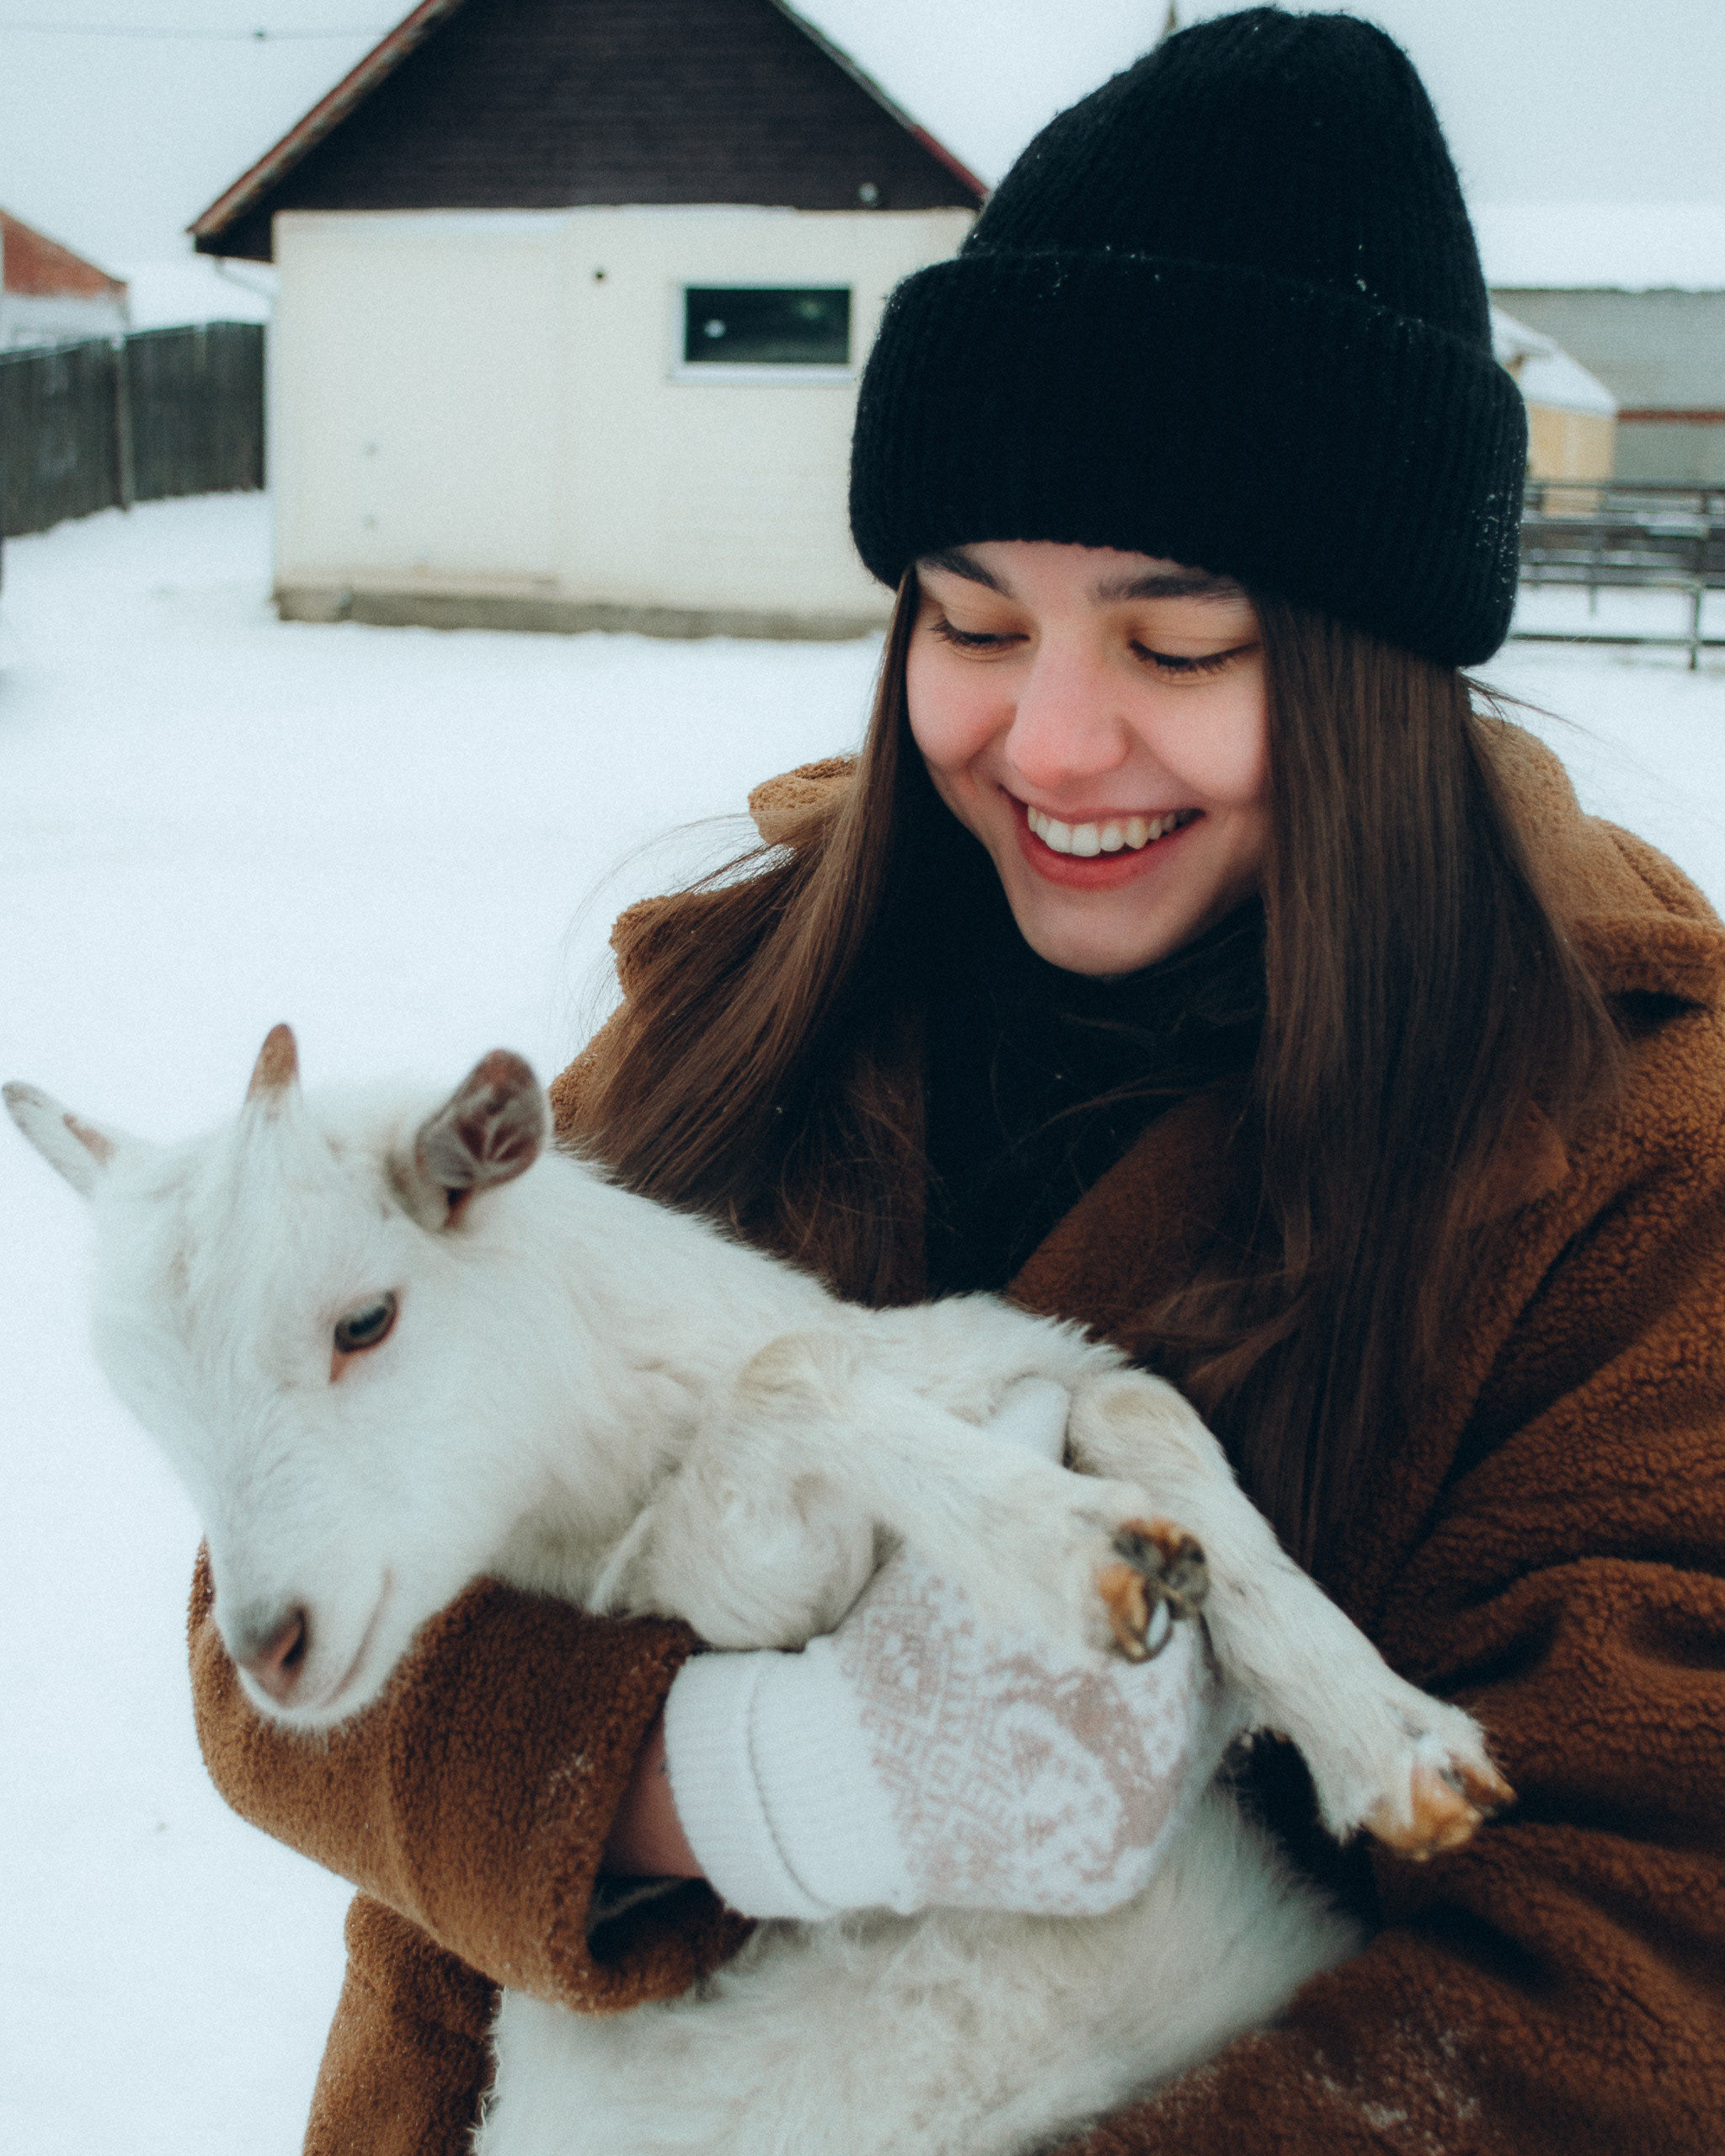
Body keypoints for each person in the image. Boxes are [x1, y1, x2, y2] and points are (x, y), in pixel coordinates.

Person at [190, 10, 1725, 2153]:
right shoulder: (736, 1011)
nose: (1053, 741)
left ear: (1381, 669)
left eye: (1179, 646)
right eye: (970, 621)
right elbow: (285, 1635)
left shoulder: (1624, 1159)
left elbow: (1638, 1982)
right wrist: (760, 1780)